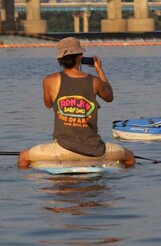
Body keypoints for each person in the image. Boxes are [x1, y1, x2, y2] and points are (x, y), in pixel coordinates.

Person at [18, 37, 135, 168]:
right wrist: (99, 70)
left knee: (23, 157)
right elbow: (109, 96)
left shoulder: (49, 80)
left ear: (60, 59)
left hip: (62, 150)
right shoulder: (95, 81)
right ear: (80, 57)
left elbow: (48, 104)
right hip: (95, 151)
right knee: (130, 157)